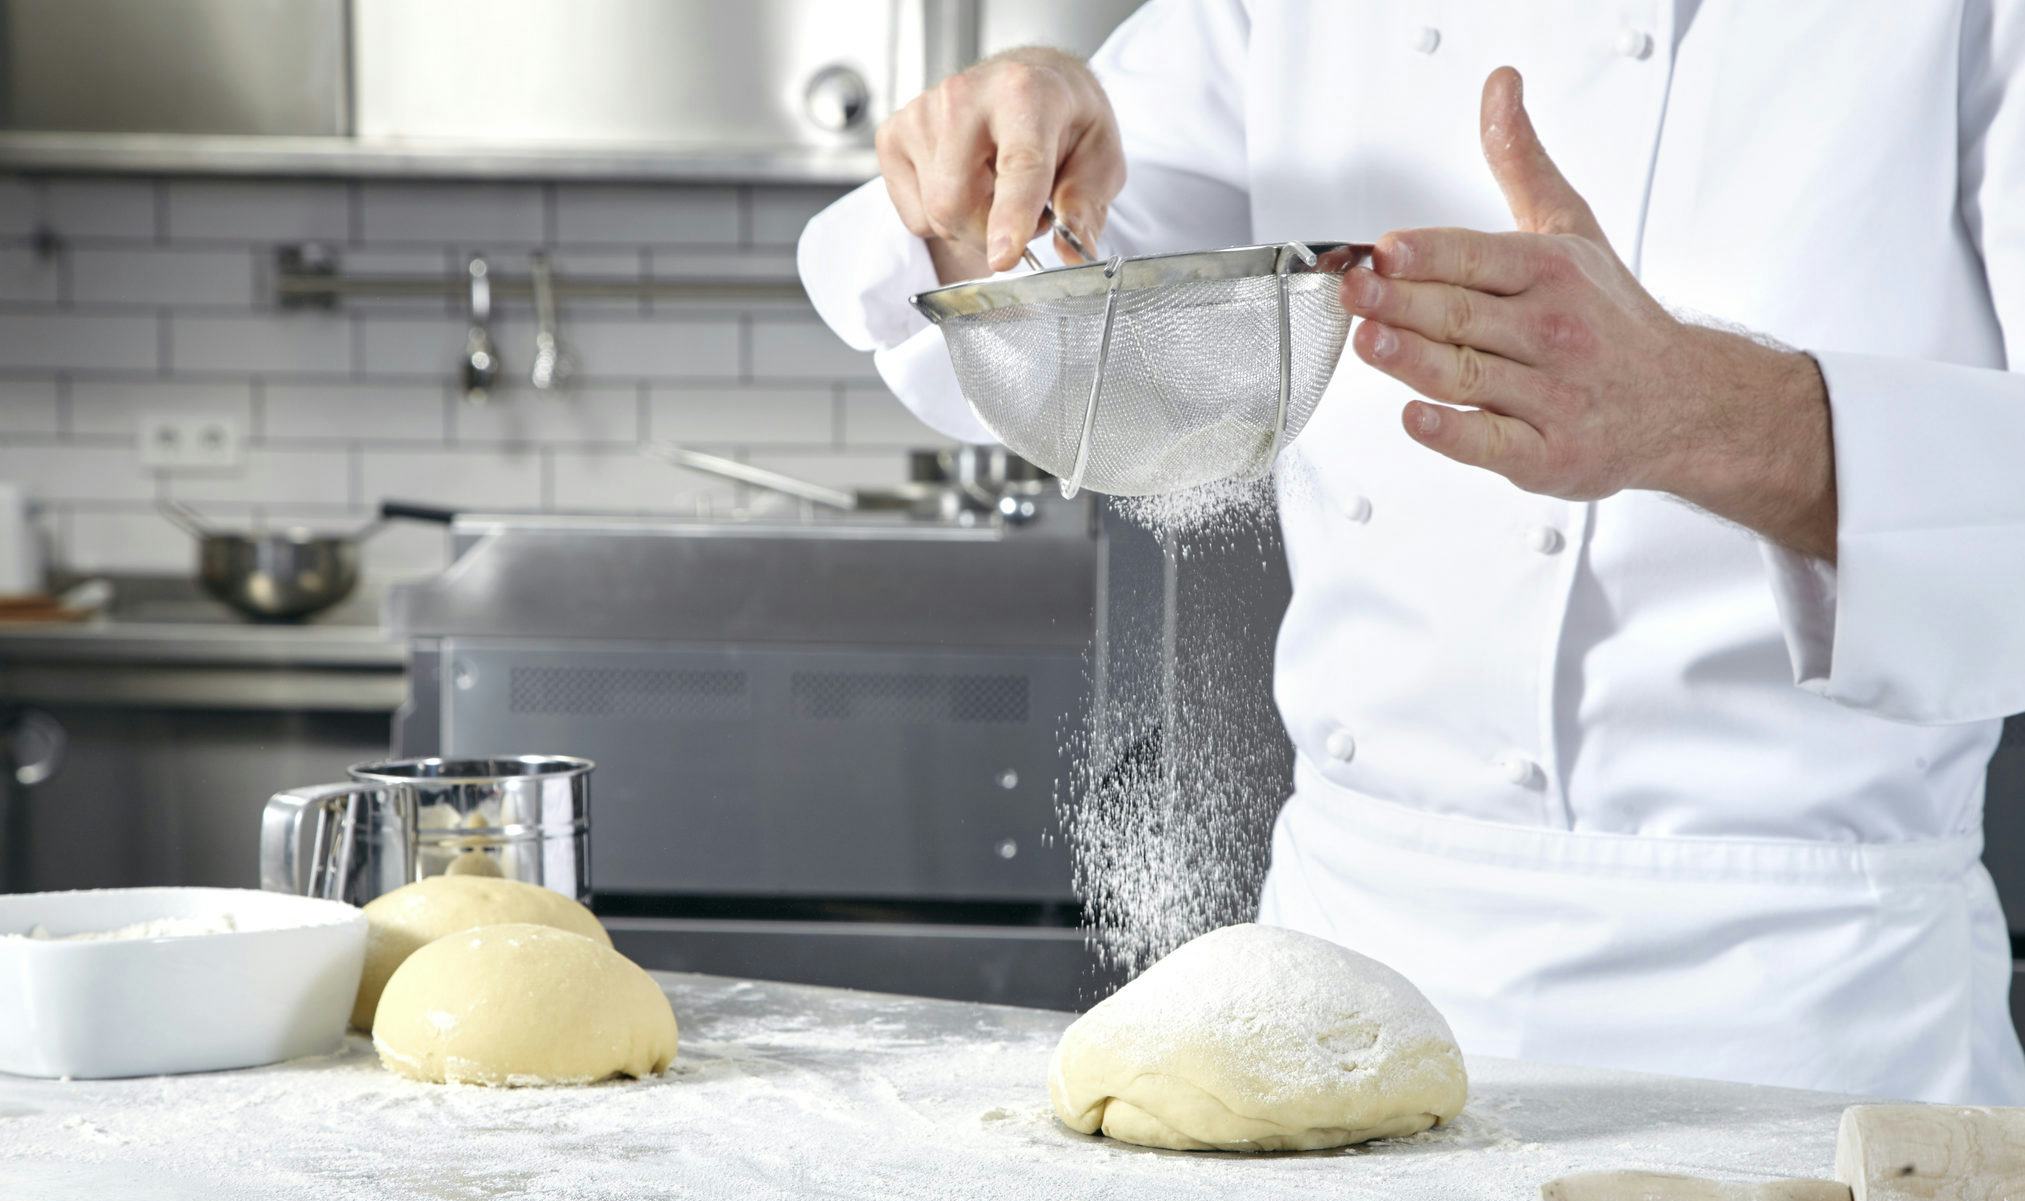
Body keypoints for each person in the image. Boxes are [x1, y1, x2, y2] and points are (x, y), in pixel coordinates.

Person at [798, 1, 2025, 1103]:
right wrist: (1001, 158)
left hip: (1814, 1017)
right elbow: (1070, 329)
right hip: (1346, 984)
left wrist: (1695, 408)